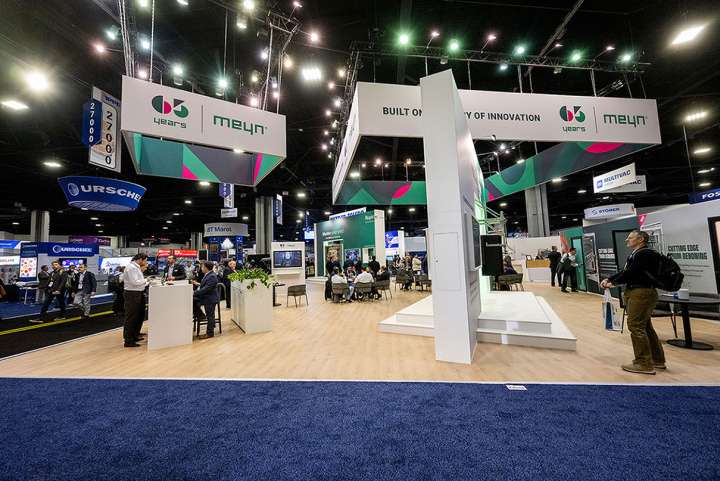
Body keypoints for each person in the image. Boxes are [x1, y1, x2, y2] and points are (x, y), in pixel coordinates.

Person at [601, 230, 666, 375]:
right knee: (645, 326)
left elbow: (631, 273)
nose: (627, 240)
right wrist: (611, 279)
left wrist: (612, 282)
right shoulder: (639, 254)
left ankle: (644, 363)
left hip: (641, 293)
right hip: (640, 292)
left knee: (635, 326)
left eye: (630, 238)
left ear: (640, 239)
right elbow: (627, 271)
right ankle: (657, 360)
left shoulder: (644, 254)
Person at [122, 253, 149, 348]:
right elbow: (135, 282)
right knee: (131, 317)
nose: (145, 263)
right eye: (145, 260)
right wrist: (146, 281)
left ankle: (134, 335)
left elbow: (138, 282)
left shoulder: (135, 267)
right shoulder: (131, 268)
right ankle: (128, 340)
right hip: (132, 294)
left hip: (137, 293)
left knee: (137, 316)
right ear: (140, 259)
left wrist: (145, 282)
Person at [193, 261, 219, 339]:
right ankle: (200, 315)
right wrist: (197, 285)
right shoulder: (208, 274)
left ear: (206, 268)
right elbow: (205, 285)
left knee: (210, 316)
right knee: (193, 301)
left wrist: (195, 293)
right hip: (206, 297)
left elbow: (206, 289)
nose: (201, 268)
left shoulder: (212, 276)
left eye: (202, 267)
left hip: (210, 299)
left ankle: (210, 333)